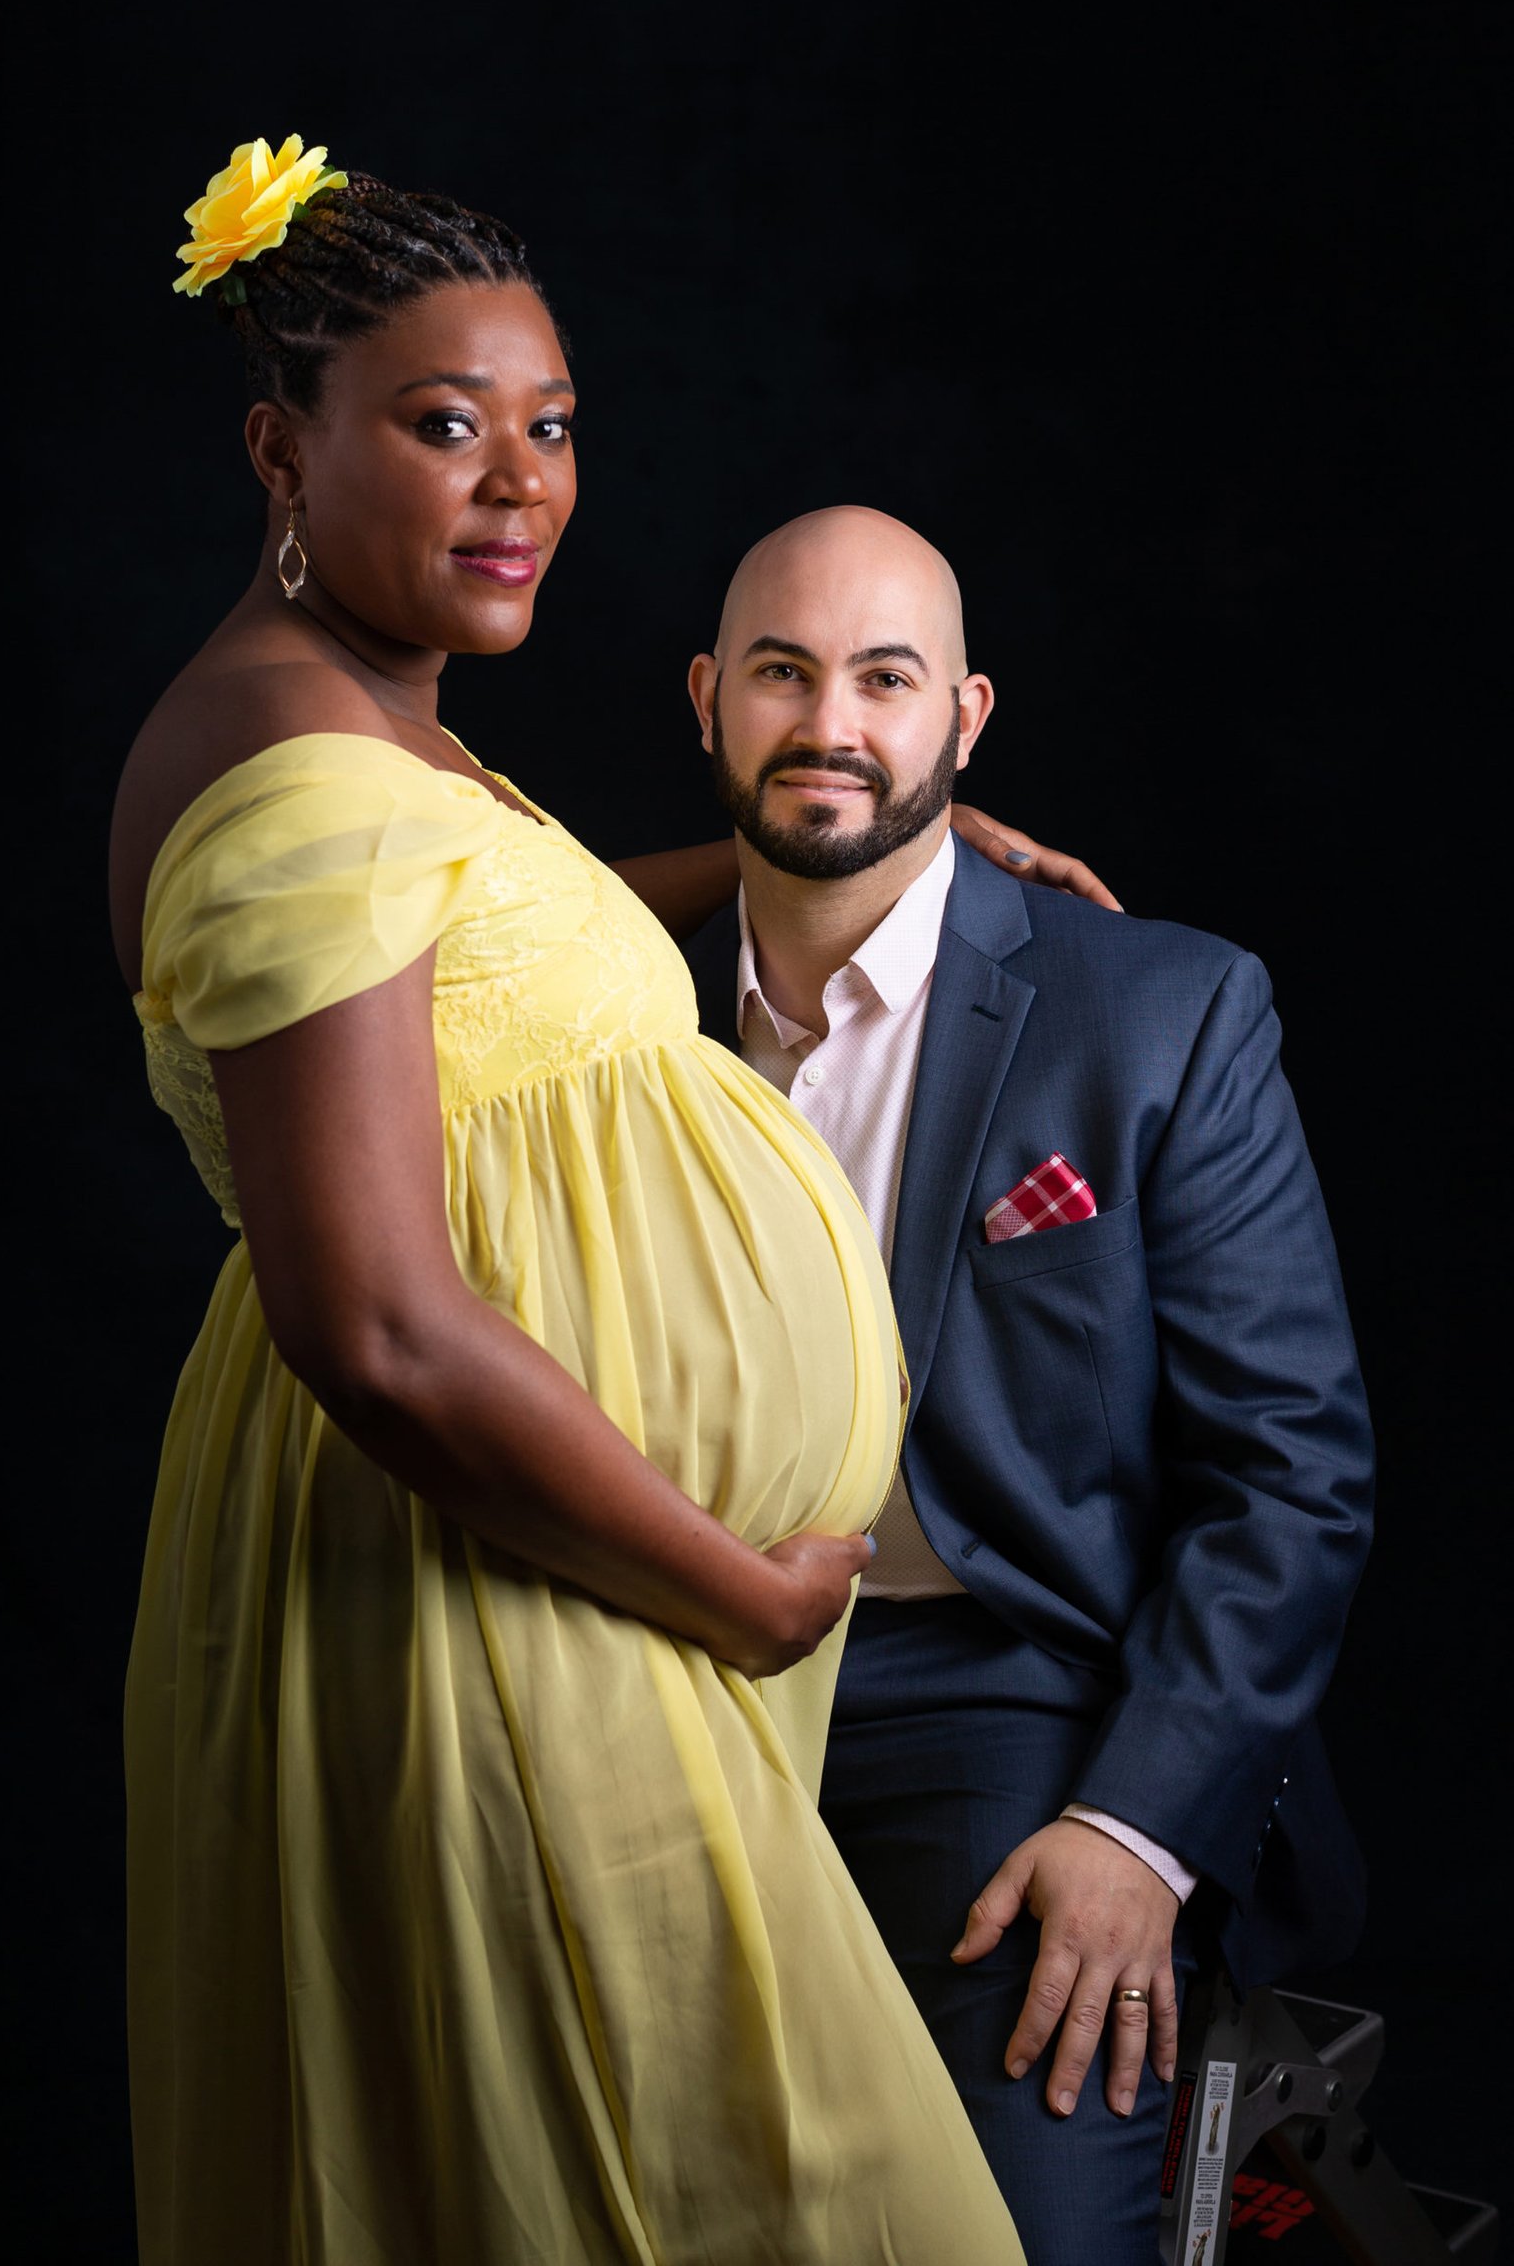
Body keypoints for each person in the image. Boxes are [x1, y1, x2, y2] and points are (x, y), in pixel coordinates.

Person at [115, 140, 1099, 2263]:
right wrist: (728, 1590)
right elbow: (378, 1331)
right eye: (441, 426)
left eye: (549, 427)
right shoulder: (292, 764)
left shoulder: (365, 729)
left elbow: (493, 951)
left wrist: (875, 851)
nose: (518, 486)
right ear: (283, 451)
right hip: (497, 1594)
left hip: (554, 1583)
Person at [683, 506, 1375, 2266]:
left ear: (965, 716)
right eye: (782, 673)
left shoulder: (1160, 1010)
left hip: (1006, 1697)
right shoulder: (614, 1015)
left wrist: (1138, 1831)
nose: (831, 723)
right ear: (706, 700)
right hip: (661, 1689)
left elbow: (1292, 1470)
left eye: (884, 679)